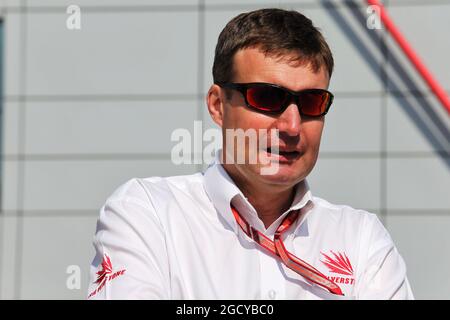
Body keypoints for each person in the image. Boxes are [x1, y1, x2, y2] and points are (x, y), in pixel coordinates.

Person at [87, 8, 414, 300]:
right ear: (218, 105)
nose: (292, 125)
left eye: (312, 102)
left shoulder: (360, 238)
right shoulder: (149, 213)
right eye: (267, 98)